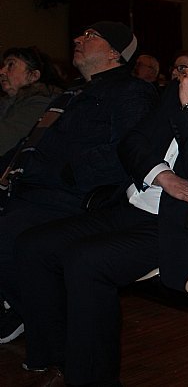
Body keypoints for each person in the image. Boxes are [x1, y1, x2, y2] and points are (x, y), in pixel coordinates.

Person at [15, 11, 188, 387]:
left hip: (181, 226)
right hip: (134, 204)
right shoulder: (179, 89)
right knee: (34, 245)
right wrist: (162, 175)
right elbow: (132, 142)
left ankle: (92, 380)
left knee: (85, 261)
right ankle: (55, 359)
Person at [0, 21, 155, 346]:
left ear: (114, 52)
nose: (77, 39)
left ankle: (32, 317)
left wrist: (65, 174)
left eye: (90, 36)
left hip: (68, 196)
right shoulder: (72, 92)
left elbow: (126, 150)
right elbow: (32, 143)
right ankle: (21, 305)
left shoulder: (131, 91)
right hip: (29, 188)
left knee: (8, 234)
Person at [0, 47, 65, 156]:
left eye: (11, 65)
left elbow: (4, 140)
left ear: (33, 76)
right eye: (3, 66)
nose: (1, 71)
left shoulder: (41, 105)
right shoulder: (6, 103)